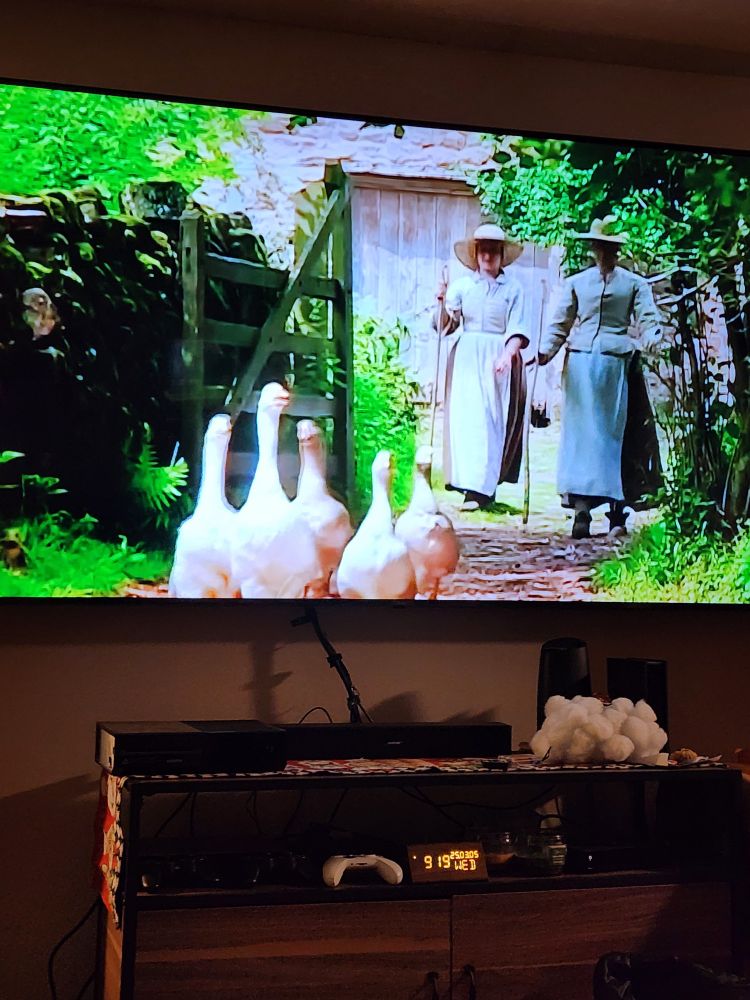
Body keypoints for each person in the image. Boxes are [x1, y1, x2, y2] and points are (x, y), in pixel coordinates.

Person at [538, 215, 663, 539]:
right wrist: (544, 352)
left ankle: (617, 512)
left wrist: (654, 339)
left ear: (617, 251)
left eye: (610, 248)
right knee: (581, 438)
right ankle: (581, 510)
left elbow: (648, 319)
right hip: (580, 366)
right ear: (592, 248)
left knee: (614, 438)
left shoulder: (633, 284)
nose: (605, 253)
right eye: (600, 247)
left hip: (616, 365)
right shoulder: (577, 283)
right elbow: (561, 323)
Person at [435, 222, 530, 511]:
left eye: (493, 251)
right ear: (476, 254)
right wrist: (442, 302)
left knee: (492, 421)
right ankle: (470, 487)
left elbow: (518, 328)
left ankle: (486, 486)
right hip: (466, 357)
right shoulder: (463, 287)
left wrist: (507, 355)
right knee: (468, 420)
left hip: (497, 358)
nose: (488, 256)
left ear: (501, 254)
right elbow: (446, 326)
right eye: (483, 251)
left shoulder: (513, 289)